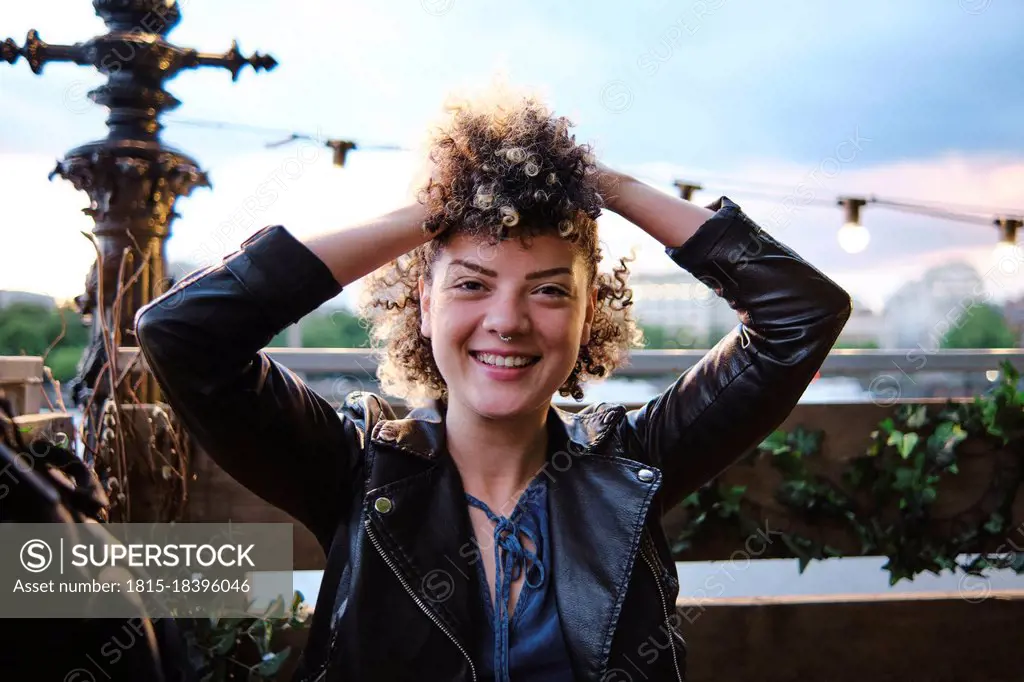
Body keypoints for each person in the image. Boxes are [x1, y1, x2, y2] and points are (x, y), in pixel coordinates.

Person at [135, 93, 851, 682]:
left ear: (587, 312)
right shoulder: (354, 467)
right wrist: (437, 209)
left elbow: (801, 316)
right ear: (422, 303)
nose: (506, 321)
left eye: (547, 291)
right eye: (472, 285)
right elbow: (183, 333)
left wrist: (607, 187)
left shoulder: (634, 464)